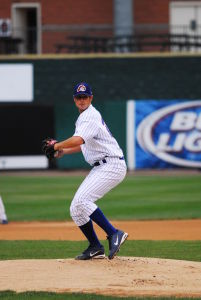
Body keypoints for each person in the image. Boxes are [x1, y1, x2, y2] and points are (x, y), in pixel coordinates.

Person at [54, 82, 128, 260]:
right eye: (79, 97)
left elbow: (77, 139)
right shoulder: (85, 117)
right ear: (74, 99)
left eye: (85, 97)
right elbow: (83, 143)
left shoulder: (89, 116)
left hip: (111, 164)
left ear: (91, 98)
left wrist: (57, 145)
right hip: (103, 165)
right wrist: (64, 151)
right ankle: (95, 246)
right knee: (76, 208)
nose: (82, 100)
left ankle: (114, 233)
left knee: (82, 200)